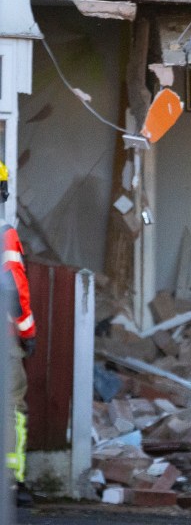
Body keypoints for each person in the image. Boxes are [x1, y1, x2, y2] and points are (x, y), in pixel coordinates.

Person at [1, 162, 35, 508]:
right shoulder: (3, 232)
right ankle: (12, 483)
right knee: (12, 405)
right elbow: (15, 287)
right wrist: (28, 332)